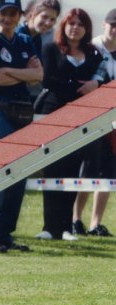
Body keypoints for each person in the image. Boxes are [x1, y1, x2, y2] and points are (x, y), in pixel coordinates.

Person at [0, 0, 43, 252]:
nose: (7, 18)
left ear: (19, 16)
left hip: (22, 107)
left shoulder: (25, 40)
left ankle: (4, 233)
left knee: (19, 169)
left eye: (12, 13)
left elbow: (38, 75)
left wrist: (8, 70)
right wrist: (20, 72)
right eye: (4, 13)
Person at [34, 8, 108, 241]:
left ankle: (66, 227)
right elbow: (48, 79)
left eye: (80, 24)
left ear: (86, 29)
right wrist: (78, 86)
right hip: (54, 113)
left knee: (73, 170)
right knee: (54, 168)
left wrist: (95, 83)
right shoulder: (50, 48)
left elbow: (103, 78)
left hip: (82, 118)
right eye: (71, 23)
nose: (75, 27)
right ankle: (49, 226)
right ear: (64, 26)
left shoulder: (94, 53)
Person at [72, 8, 116, 237]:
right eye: (113, 24)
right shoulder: (92, 48)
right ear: (104, 25)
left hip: (113, 121)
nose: (115, 29)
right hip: (91, 118)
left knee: (108, 172)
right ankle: (76, 219)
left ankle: (95, 223)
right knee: (87, 170)